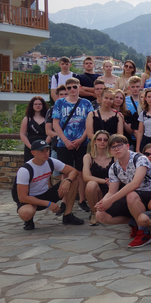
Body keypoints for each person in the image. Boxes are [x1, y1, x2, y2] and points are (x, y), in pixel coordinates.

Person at [95, 134, 151, 248]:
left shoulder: (140, 159)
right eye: (113, 147)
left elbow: (135, 184)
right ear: (110, 151)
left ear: (128, 146)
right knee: (101, 215)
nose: (116, 149)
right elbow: (111, 191)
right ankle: (135, 221)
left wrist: (110, 201)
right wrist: (103, 203)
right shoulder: (114, 167)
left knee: (131, 195)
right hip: (133, 198)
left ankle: (144, 233)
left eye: (119, 145)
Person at [14, 140, 84, 230]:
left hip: (46, 193)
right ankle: (28, 220)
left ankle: (68, 215)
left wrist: (67, 180)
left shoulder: (51, 161)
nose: (46, 153)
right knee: (26, 213)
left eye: (47, 150)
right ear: (33, 153)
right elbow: (22, 197)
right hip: (30, 199)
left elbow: (74, 171)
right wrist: (48, 204)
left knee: (74, 181)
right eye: (41, 151)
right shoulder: (25, 170)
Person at [52, 77, 94, 214]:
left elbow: (89, 123)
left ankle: (82, 200)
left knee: (81, 172)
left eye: (74, 87)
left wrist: (81, 139)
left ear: (79, 87)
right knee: (65, 173)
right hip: (63, 143)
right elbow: (55, 124)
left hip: (82, 143)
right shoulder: (59, 103)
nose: (72, 89)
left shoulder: (86, 103)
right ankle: (64, 201)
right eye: (69, 87)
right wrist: (65, 140)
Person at [84, 131, 115, 226]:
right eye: (99, 139)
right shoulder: (88, 157)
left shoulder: (114, 156)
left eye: (105, 140)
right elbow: (86, 177)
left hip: (112, 188)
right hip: (97, 190)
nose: (102, 142)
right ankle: (94, 213)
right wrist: (105, 181)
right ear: (94, 141)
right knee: (91, 184)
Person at [20, 96, 50, 162]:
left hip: (45, 146)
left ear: (43, 105)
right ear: (32, 105)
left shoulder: (48, 118)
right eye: (35, 104)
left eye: (40, 104)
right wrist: (31, 147)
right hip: (31, 147)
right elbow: (23, 134)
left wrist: (45, 145)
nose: (38, 106)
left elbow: (50, 133)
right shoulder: (27, 119)